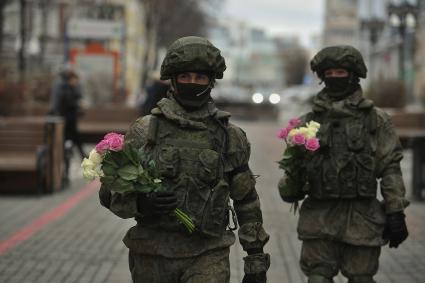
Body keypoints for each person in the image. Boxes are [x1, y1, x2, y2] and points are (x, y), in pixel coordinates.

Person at [99, 36, 270, 283]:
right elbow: (109, 194)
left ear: (211, 81)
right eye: (185, 77)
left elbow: (246, 200)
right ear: (173, 80)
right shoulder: (145, 131)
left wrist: (255, 259)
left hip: (208, 251)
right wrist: (141, 204)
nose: (193, 83)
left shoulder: (229, 136)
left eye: (200, 77)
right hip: (151, 253)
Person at [278, 45, 409, 283]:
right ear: (322, 77)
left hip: (362, 218)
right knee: (317, 278)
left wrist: (396, 211)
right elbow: (292, 178)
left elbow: (390, 167)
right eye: (329, 73)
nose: (335, 78)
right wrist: (291, 181)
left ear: (354, 75)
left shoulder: (375, 120)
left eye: (341, 72)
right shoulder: (309, 123)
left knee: (361, 278)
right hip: (319, 219)